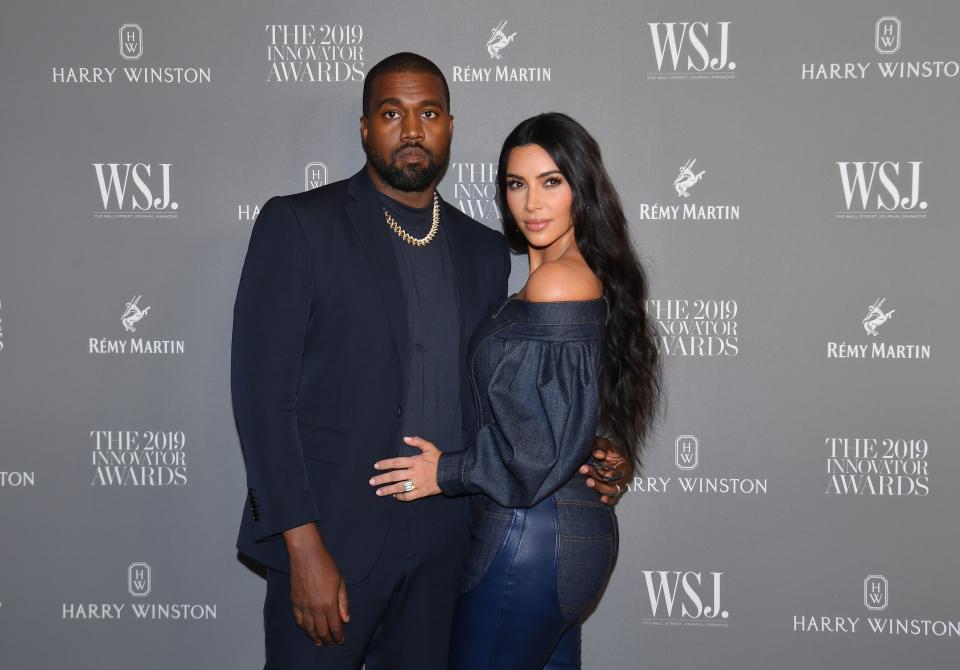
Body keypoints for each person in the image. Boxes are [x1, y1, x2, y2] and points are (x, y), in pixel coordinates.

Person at [231, 54, 632, 670]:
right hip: (332, 542)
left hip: (450, 549)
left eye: (429, 113)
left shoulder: (484, 248)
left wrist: (587, 444)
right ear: (366, 128)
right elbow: (262, 398)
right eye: (392, 113)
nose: (412, 130)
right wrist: (301, 543)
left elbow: (504, 390)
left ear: (449, 126)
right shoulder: (300, 224)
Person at [368, 112, 661, 669]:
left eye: (551, 182)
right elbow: (568, 414)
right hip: (565, 537)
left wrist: (443, 473)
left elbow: (535, 454)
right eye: (516, 184)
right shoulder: (566, 275)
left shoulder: (558, 283)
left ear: (582, 187)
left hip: (529, 537)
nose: (532, 203)